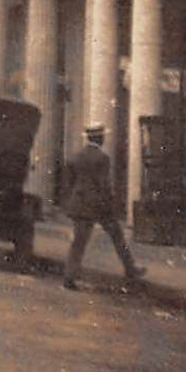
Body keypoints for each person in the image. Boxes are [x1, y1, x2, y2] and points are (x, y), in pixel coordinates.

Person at [61, 123, 145, 290]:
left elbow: (69, 183)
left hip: (80, 204)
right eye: (103, 136)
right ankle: (130, 269)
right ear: (99, 138)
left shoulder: (75, 157)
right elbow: (104, 185)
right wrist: (111, 205)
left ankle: (69, 278)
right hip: (99, 206)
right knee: (117, 237)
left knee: (78, 243)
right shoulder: (102, 158)